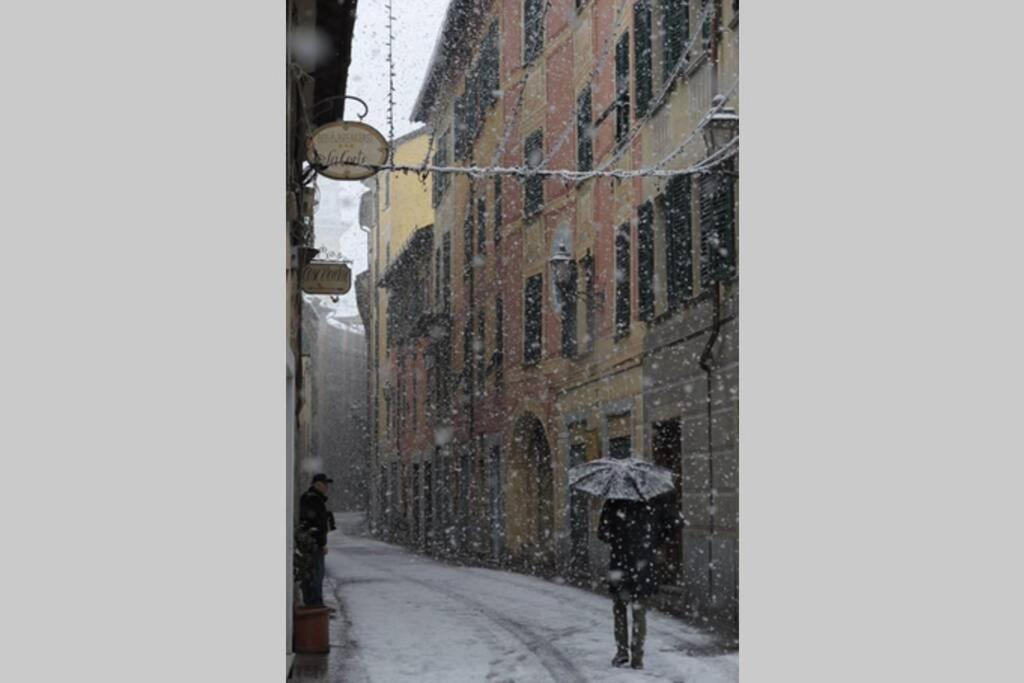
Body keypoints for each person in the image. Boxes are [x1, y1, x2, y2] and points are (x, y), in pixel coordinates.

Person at [597, 494, 682, 669]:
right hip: (643, 563)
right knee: (639, 611)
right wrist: (653, 541)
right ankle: (637, 656)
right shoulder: (654, 499)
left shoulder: (614, 500)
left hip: (620, 562)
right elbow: (675, 523)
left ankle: (621, 652)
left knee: (620, 609)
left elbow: (602, 533)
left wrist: (617, 537)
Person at [298, 473, 333, 607]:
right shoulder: (313, 500)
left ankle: (313, 602)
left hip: (311, 543)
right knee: (315, 574)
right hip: (312, 544)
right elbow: (316, 524)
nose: (326, 487)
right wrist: (319, 543)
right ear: (317, 484)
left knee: (314, 574)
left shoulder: (314, 499)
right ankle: (315, 604)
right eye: (324, 484)